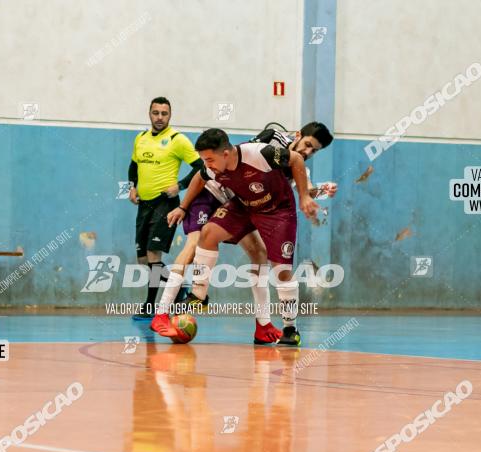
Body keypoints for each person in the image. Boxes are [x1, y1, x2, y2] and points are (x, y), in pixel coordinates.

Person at [156, 123, 335, 344]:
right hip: (242, 204)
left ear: (225, 153)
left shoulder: (270, 157)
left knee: (280, 270)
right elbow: (200, 176)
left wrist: (308, 195)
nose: (308, 152)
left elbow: (298, 168)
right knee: (208, 233)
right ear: (298, 136)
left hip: (277, 213)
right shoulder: (261, 146)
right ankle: (197, 296)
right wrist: (183, 207)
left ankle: (289, 329)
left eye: (314, 150)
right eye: (308, 145)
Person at [127, 97, 204, 320]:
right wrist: (133, 187)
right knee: (143, 260)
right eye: (155, 113)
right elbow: (133, 165)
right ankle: (179, 287)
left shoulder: (177, 140)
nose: (159, 117)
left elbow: (201, 168)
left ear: (170, 116)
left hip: (166, 205)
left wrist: (179, 186)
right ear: (149, 113)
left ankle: (150, 305)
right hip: (144, 205)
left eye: (164, 113)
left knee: (153, 254)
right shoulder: (140, 139)